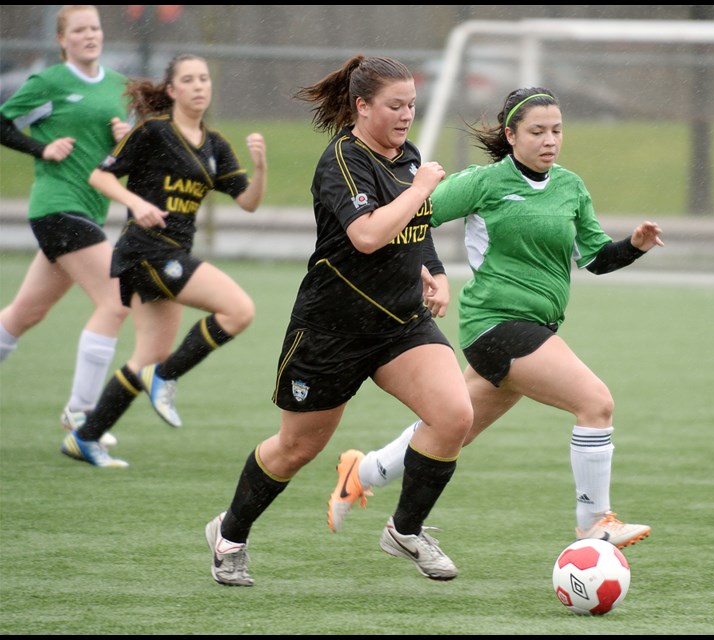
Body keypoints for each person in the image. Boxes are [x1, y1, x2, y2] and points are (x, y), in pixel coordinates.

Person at [327, 88, 663, 550]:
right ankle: (593, 523)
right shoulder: (484, 182)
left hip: (536, 327)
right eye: (537, 131)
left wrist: (634, 246)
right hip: (495, 324)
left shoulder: (571, 186)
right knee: (595, 402)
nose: (550, 141)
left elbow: (596, 258)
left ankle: (362, 472)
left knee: (451, 430)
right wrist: (433, 272)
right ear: (511, 135)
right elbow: (413, 218)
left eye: (557, 130)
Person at [203, 55, 473, 587]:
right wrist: (423, 189)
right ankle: (229, 534)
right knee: (297, 448)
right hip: (331, 330)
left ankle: (405, 529)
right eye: (395, 106)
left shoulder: (408, 156)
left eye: (412, 105)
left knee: (454, 416)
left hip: (399, 324)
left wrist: (434, 271)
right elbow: (368, 235)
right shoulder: (342, 162)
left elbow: (414, 227)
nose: (406, 115)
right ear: (362, 105)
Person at [60, 54, 267, 468]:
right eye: (188, 79)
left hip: (172, 254)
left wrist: (260, 168)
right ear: (171, 91)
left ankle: (86, 436)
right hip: (145, 250)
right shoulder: (154, 131)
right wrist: (136, 203)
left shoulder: (215, 145)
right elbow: (100, 176)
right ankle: (167, 377)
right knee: (239, 309)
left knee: (149, 356)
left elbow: (248, 202)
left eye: (204, 79)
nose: (198, 86)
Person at [0, 5, 130, 448]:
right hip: (57, 206)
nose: (90, 34)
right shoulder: (48, 82)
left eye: (94, 27)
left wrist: (124, 138)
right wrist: (41, 148)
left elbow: (120, 158)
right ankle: (81, 415)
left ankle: (80, 413)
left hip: (88, 212)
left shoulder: (118, 86)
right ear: (63, 40)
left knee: (24, 315)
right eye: (79, 29)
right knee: (115, 300)